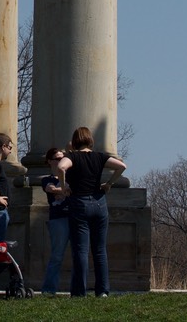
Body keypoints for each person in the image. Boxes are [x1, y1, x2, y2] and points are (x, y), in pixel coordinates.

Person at [57, 126, 127, 297]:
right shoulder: (99, 157)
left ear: (74, 142)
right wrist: (109, 183)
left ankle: (80, 292)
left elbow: (60, 167)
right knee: (100, 250)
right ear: (90, 140)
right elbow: (121, 166)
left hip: (79, 203)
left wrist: (63, 186)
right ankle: (102, 291)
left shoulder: (72, 156)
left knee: (81, 250)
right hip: (99, 203)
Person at [40, 146, 71, 295]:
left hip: (74, 217)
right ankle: (49, 289)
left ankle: (78, 289)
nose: (61, 161)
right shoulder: (47, 179)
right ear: (49, 162)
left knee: (79, 255)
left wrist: (64, 189)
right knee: (57, 256)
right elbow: (50, 189)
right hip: (58, 220)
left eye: (63, 158)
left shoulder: (70, 177)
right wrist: (65, 190)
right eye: (58, 158)